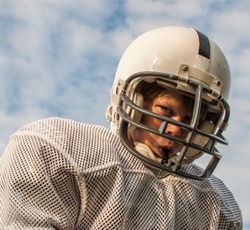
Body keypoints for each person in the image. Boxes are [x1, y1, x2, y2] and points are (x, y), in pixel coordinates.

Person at [0, 26, 242, 229]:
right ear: (133, 102)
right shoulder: (58, 151)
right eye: (166, 111)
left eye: (190, 120)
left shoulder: (213, 204)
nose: (177, 130)